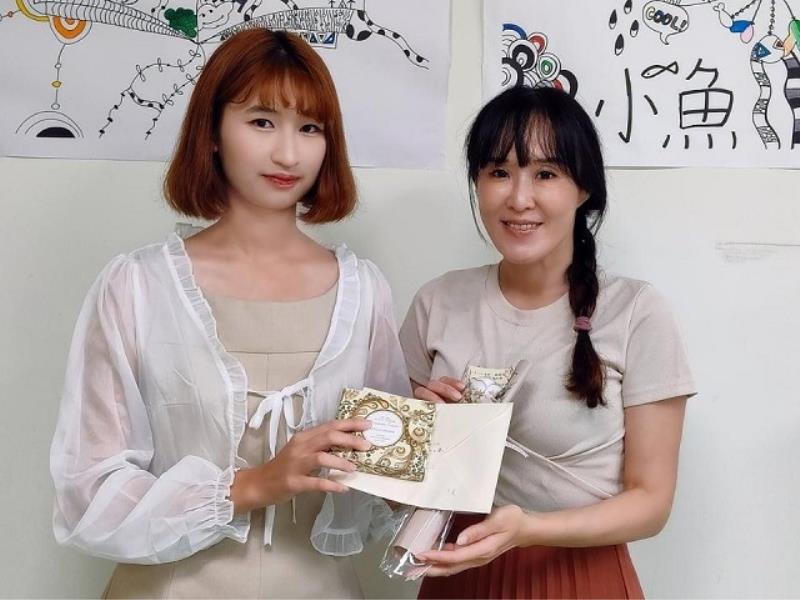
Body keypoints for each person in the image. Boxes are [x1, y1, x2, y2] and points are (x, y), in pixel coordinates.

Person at [49, 29, 410, 598]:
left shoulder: (364, 291)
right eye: (262, 121)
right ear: (212, 131)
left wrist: (437, 434)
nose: (288, 154)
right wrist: (250, 486)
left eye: (309, 128)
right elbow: (86, 491)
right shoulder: (138, 285)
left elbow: (384, 483)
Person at [399, 85, 696, 599]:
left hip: (581, 577)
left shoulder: (636, 311)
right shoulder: (437, 301)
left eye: (546, 173)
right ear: (476, 183)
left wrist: (528, 529)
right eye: (498, 172)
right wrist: (422, 435)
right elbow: (393, 486)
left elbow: (651, 504)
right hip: (457, 572)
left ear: (584, 189)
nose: (519, 198)